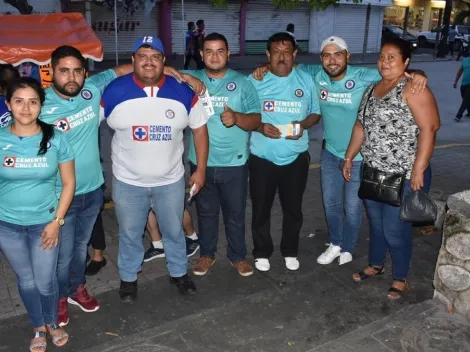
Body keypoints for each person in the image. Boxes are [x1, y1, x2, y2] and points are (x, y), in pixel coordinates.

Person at [252, 36, 427, 266]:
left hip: (358, 155)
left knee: (352, 207)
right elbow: (285, 63)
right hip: (330, 152)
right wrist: (264, 67)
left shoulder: (365, 76)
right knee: (331, 204)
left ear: (348, 56)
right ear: (322, 59)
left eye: (338, 54)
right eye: (327, 55)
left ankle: (348, 247)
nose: (332, 60)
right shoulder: (317, 75)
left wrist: (418, 73)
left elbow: (396, 73)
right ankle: (335, 243)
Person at [100, 36, 209, 303]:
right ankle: (128, 278)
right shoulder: (114, 91)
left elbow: (200, 131)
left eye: (155, 57)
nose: (149, 62)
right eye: (143, 56)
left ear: (164, 61)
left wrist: (201, 170)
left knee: (173, 231)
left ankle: (179, 272)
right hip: (128, 182)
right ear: (133, 60)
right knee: (129, 233)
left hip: (170, 181)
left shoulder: (183, 91)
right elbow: (86, 127)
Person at [39, 45, 134, 327]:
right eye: (64, 71)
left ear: (85, 72)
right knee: (63, 253)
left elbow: (125, 69)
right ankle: (59, 296)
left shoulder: (92, 88)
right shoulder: (39, 104)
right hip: (59, 195)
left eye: (77, 71)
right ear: (52, 72)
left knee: (80, 248)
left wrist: (171, 71)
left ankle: (76, 288)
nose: (71, 77)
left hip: (93, 191)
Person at [343, 38, 440, 300]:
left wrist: (419, 169)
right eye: (382, 57)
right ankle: (376, 263)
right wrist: (350, 157)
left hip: (405, 175)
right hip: (374, 172)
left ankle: (400, 276)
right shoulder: (372, 89)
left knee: (394, 231)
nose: (385, 62)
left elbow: (429, 128)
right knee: (376, 224)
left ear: (406, 62)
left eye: (392, 57)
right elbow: (360, 126)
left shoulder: (413, 88)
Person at [0, 77, 75, 351]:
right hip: (6, 226)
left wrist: (57, 221)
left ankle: (52, 322)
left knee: (45, 280)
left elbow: (69, 183)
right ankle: (37, 325)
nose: (26, 108)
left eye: (33, 101)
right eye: (18, 101)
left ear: (41, 106)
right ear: (8, 104)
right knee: (27, 280)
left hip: (45, 223)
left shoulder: (56, 138)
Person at [182, 33, 261, 277]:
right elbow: (156, 70)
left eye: (220, 51)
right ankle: (207, 255)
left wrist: (237, 118)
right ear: (201, 54)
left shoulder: (242, 83)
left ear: (228, 53)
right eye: (209, 51)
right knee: (206, 213)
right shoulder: (191, 78)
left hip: (235, 163)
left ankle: (237, 256)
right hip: (200, 163)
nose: (214, 56)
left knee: (235, 214)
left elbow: (256, 120)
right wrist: (186, 77)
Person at [248, 32, 321, 272]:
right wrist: (259, 126)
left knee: (293, 208)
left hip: (296, 157)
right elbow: (244, 115)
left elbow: (315, 113)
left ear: (294, 55)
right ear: (268, 55)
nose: (281, 57)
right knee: (261, 208)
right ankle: (261, 252)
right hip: (262, 157)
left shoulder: (306, 80)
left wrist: (303, 125)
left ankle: (290, 250)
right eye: (276, 52)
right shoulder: (255, 80)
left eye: (286, 52)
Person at [453, 47, 470, 122]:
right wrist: (456, 81)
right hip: (464, 83)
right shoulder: (465, 60)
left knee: (466, 100)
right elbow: (460, 71)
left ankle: (458, 115)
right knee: (466, 99)